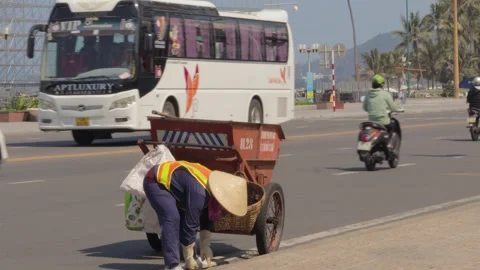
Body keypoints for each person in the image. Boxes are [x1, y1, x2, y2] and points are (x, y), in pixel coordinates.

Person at [143, 160, 248, 270]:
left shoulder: (213, 187)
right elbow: (190, 224)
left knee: (184, 218)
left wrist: (205, 246)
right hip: (156, 181)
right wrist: (188, 256)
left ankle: (192, 256)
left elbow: (207, 216)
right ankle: (172, 264)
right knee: (172, 219)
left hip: (179, 186)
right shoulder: (200, 194)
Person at [363, 74, 403, 149]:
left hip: (371, 121)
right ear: (381, 84)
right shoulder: (385, 94)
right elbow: (393, 108)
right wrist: (400, 109)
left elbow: (365, 108)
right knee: (392, 126)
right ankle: (389, 144)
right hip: (383, 121)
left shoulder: (368, 94)